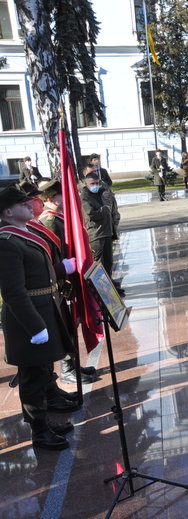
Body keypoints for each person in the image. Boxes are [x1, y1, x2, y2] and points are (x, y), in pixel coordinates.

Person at [0, 184, 77, 449]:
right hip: (27, 319)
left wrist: (60, 269)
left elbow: (39, 273)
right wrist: (34, 327)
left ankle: (46, 419)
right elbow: (13, 292)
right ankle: (39, 431)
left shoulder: (23, 235)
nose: (29, 205)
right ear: (8, 212)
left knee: (43, 369)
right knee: (31, 377)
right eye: (22, 204)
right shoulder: (7, 243)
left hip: (44, 309)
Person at [38, 180, 99, 385]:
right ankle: (67, 369)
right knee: (65, 328)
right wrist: (64, 278)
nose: (66, 199)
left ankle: (74, 365)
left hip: (66, 278)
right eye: (62, 195)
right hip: (60, 281)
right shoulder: (50, 221)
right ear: (51, 198)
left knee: (71, 326)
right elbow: (55, 255)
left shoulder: (58, 217)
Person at [81, 172, 123, 296]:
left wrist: (106, 200)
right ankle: (102, 292)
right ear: (86, 184)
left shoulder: (100, 193)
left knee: (108, 262)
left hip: (106, 232)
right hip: (96, 234)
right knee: (99, 264)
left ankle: (110, 287)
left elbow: (111, 205)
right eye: (92, 184)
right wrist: (104, 209)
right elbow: (90, 214)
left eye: (97, 183)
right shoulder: (85, 197)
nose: (95, 186)